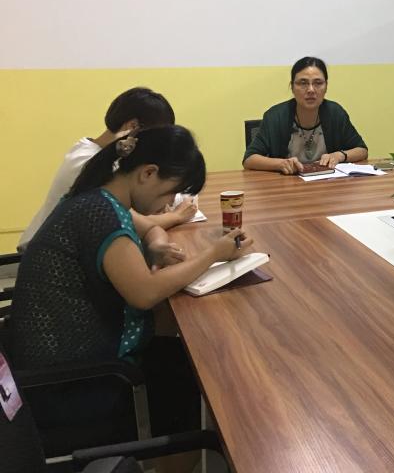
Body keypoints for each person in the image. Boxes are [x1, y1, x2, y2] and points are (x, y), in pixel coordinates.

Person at [6, 125, 253, 444]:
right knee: (199, 378)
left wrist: (154, 248)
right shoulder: (100, 214)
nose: (168, 204)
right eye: (170, 193)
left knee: (188, 348)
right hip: (73, 383)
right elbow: (144, 293)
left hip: (59, 359)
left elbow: (144, 235)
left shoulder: (99, 198)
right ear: (148, 173)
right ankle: (176, 451)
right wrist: (213, 254)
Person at [19, 87, 196, 251]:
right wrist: (176, 216)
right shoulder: (90, 163)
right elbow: (133, 223)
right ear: (132, 127)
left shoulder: (91, 148)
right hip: (43, 255)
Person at [243, 57, 368, 174]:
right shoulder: (275, 116)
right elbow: (249, 159)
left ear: (326, 87)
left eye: (318, 83)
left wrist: (339, 155)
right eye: (303, 83)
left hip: (327, 184)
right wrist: (281, 164)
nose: (311, 90)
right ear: (292, 87)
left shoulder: (335, 113)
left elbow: (362, 150)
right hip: (287, 185)